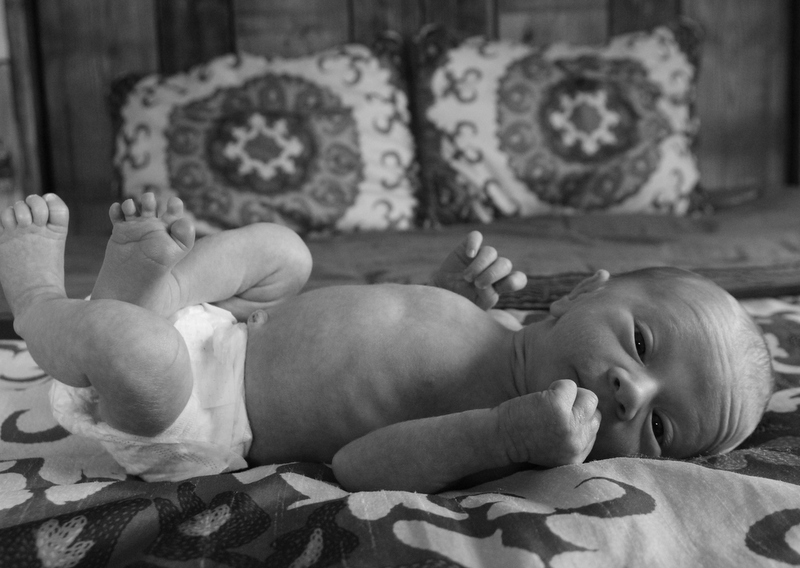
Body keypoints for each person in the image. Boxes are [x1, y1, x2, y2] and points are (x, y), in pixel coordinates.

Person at [0, 193, 774, 492]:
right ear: (577, 294)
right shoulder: (493, 326)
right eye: (641, 341)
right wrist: (445, 290)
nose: (633, 392)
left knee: (140, 357)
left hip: (202, 412)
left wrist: (505, 435)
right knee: (285, 251)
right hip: (232, 327)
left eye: (660, 425)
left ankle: (38, 300)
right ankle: (155, 294)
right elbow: (388, 331)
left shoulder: (515, 439)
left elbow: (358, 466)